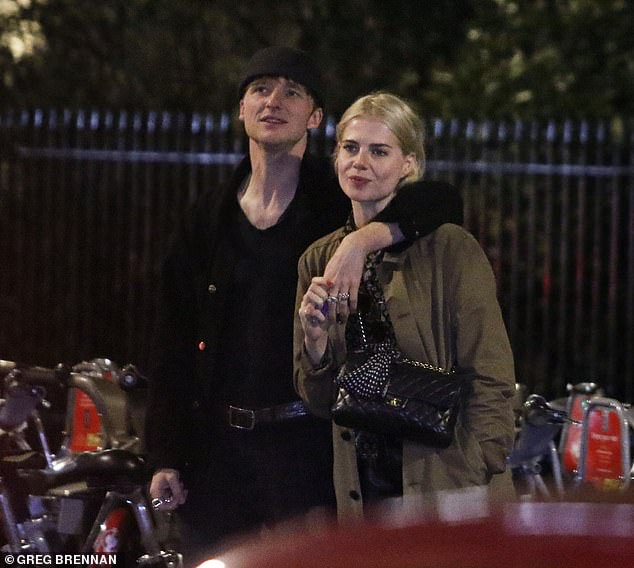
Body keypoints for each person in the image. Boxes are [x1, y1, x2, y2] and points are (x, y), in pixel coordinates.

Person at [145, 48, 463, 564]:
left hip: (311, 446)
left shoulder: (338, 197)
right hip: (218, 450)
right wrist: (165, 454)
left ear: (315, 118)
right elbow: (172, 342)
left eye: (292, 91)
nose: (274, 101)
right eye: (260, 89)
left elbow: (441, 201)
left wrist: (361, 242)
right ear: (241, 109)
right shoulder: (207, 217)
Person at [295, 92, 516, 520]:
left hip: (444, 484)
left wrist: (474, 469)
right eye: (350, 148)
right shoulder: (318, 260)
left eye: (379, 151)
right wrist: (317, 343)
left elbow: (490, 376)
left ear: (409, 165)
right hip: (361, 489)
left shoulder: (450, 249)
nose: (360, 162)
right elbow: (318, 401)